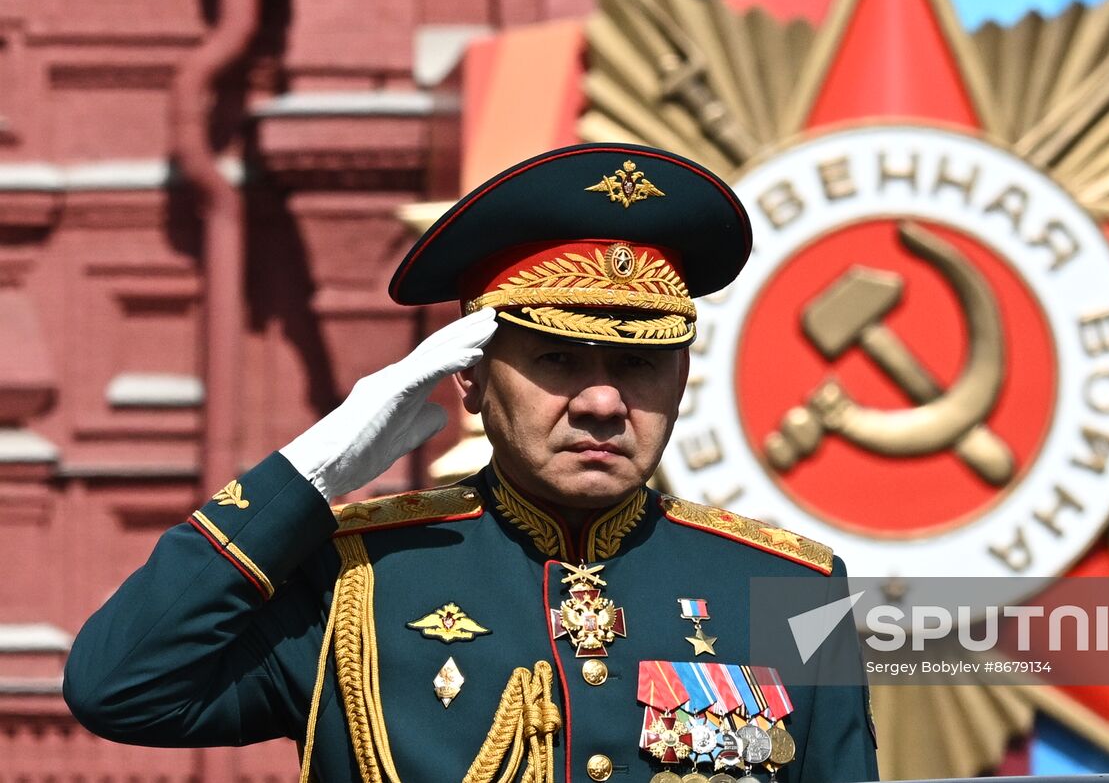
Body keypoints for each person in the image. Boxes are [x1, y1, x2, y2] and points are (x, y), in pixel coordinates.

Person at [64, 143, 878, 783]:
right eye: (558, 360)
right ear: (473, 379)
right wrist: (312, 471)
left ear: (681, 376)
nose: (601, 401)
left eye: (638, 364)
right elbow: (119, 686)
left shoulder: (795, 590)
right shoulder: (354, 578)